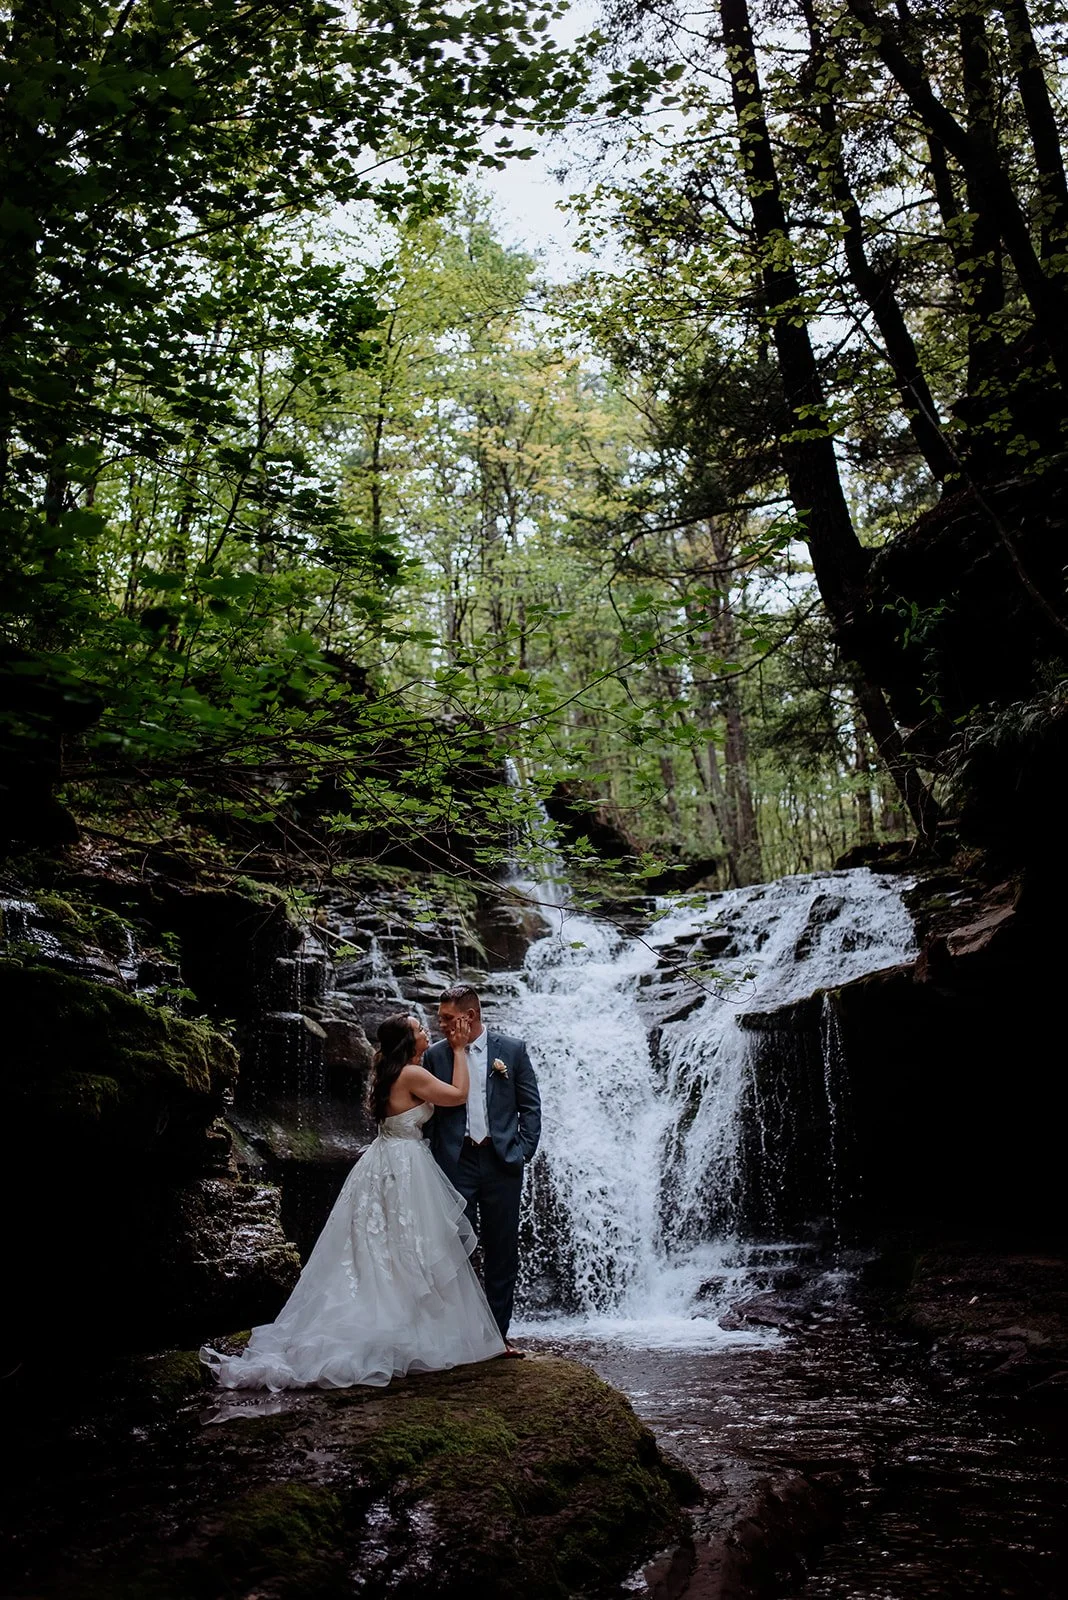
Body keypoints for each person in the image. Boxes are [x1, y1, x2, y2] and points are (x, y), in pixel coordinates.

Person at [200, 1012, 505, 1390]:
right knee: (407, 1247)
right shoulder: (410, 1075)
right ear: (407, 1042)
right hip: (405, 1166)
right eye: (418, 1029)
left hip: (383, 1161)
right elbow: (457, 1096)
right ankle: (409, 1327)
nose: (426, 1032)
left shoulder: (390, 1072)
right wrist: (459, 1049)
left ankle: (400, 1318)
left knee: (385, 1247)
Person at [423, 983, 541, 1353]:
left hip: (501, 1161)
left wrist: (522, 1151)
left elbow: (530, 1107)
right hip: (456, 1163)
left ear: (469, 1016)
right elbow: (429, 1115)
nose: (440, 1024)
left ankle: (497, 1338)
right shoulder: (436, 1056)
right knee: (453, 1247)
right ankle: (455, 1337)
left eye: (446, 1018)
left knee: (502, 1249)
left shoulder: (513, 1051)